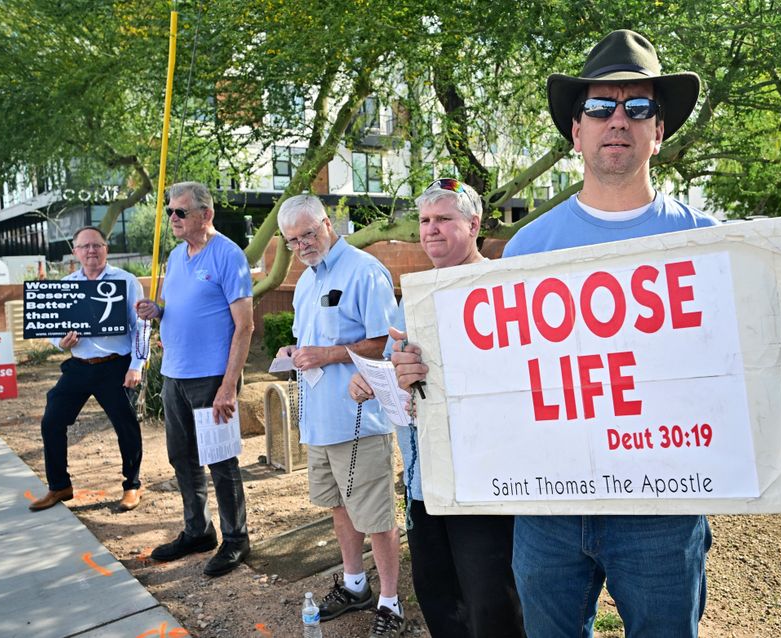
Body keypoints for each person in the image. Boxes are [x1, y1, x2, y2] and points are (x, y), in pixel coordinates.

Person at [391, 30, 781, 638]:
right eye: (599, 107)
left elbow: (761, 366)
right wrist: (425, 372)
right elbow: (495, 377)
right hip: (546, 510)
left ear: (657, 132)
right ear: (575, 131)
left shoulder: (715, 246)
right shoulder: (529, 250)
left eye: (638, 108)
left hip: (661, 516)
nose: (618, 120)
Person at [348, 179, 526, 637]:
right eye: (425, 221)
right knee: (439, 597)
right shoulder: (420, 291)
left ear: (474, 224)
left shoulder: (499, 287)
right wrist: (376, 376)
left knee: (491, 604)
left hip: (482, 481)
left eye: (444, 219)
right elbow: (409, 366)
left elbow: (512, 379)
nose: (431, 230)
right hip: (424, 479)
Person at [275, 194, 404, 637]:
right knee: (338, 507)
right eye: (292, 241)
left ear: (328, 224)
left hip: (358, 417)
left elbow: (384, 343)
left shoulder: (365, 271)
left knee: (376, 515)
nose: (302, 245)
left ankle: (391, 601)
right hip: (318, 419)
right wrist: (292, 353)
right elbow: (307, 342)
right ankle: (354, 585)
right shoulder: (308, 280)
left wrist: (327, 355)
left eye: (308, 234)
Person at [135, 182, 254, 577]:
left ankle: (236, 539)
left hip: (211, 378)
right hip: (175, 376)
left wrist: (227, 385)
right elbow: (179, 308)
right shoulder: (175, 255)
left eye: (181, 212)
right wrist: (158, 310)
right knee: (181, 458)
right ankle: (198, 530)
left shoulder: (228, 255)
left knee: (221, 460)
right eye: (171, 211)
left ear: (206, 214)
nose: (173, 218)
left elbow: (245, 326)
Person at [30, 226, 147, 513]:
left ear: (106, 249)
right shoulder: (66, 285)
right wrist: (61, 341)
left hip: (116, 367)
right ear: (75, 252)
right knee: (52, 421)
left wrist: (136, 365)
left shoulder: (126, 281)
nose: (91, 251)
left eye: (97, 245)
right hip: (79, 367)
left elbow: (142, 325)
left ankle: (132, 486)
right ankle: (59, 486)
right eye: (85, 246)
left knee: (126, 427)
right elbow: (51, 327)